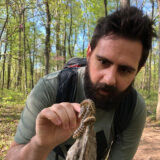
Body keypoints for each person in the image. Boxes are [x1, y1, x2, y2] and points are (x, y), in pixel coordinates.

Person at [6, 6, 156, 160]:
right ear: (89, 53)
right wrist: (40, 144)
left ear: (138, 70)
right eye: (103, 62)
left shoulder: (133, 108)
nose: (109, 79)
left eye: (125, 70)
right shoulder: (50, 88)